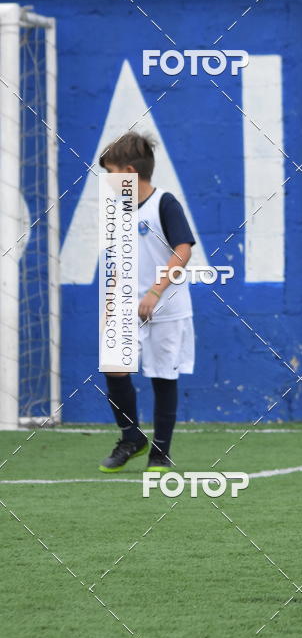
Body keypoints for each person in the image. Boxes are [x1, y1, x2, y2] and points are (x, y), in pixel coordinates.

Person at [97, 132, 195, 473]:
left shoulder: (164, 203)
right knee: (113, 365)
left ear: (127, 171)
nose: (106, 181)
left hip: (166, 306)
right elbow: (116, 259)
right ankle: (131, 437)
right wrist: (111, 301)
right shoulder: (116, 212)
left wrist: (155, 291)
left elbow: (183, 249)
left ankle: (161, 452)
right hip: (127, 305)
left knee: (162, 375)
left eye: (109, 172)